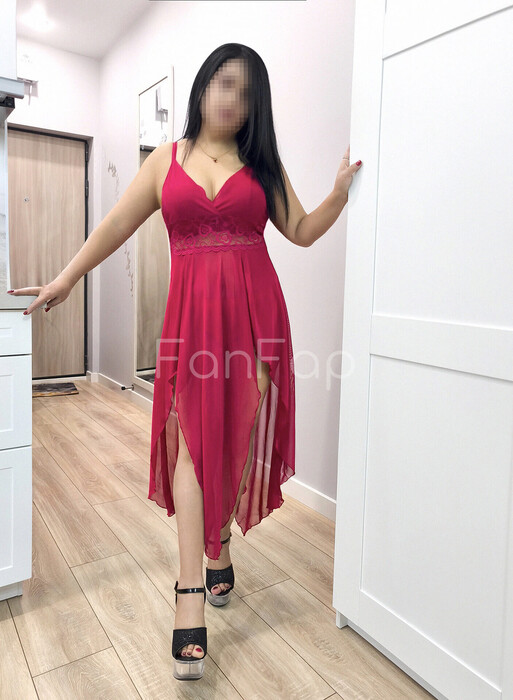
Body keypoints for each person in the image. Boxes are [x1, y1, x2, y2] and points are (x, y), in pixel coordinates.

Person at [8, 42, 361, 682]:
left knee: (236, 438)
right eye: (225, 84)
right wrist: (66, 278)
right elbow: (114, 227)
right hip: (192, 323)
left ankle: (218, 541)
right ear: (202, 86)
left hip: (255, 318)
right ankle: (190, 591)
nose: (233, 100)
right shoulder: (165, 161)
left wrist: (338, 194)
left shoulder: (263, 165)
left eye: (247, 93)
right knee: (193, 446)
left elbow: (303, 230)